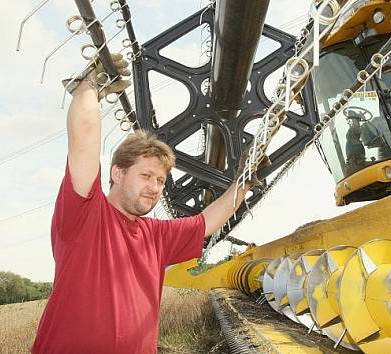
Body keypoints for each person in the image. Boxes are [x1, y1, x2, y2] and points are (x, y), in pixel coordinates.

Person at [31, 54, 257, 353]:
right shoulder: (84, 215)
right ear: (117, 173)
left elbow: (206, 222)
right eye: (146, 175)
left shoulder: (156, 236)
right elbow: (84, 140)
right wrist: (88, 86)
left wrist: (244, 184)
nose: (154, 187)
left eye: (161, 180)